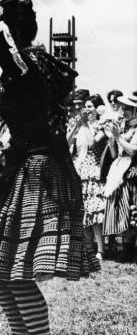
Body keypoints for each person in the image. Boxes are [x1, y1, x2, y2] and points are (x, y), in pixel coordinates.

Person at [0, 0, 99, 335]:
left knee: (16, 270)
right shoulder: (39, 64)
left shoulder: (30, 64)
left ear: (11, 31)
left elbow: (4, 50)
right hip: (25, 164)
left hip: (37, 171)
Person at [68, 96, 106, 259]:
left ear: (97, 109)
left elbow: (92, 143)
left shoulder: (101, 126)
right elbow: (66, 142)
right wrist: (76, 126)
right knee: (82, 210)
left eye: (90, 106)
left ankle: (100, 248)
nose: (87, 109)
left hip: (93, 169)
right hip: (79, 168)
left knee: (94, 210)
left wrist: (83, 125)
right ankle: (88, 246)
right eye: (85, 106)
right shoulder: (79, 125)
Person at [102, 92, 137, 262]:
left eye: (128, 109)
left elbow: (133, 151)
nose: (124, 112)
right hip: (120, 171)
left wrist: (117, 136)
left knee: (132, 209)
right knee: (123, 209)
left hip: (133, 171)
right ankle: (126, 246)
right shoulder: (124, 127)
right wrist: (111, 138)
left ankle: (130, 247)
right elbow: (116, 153)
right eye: (124, 109)